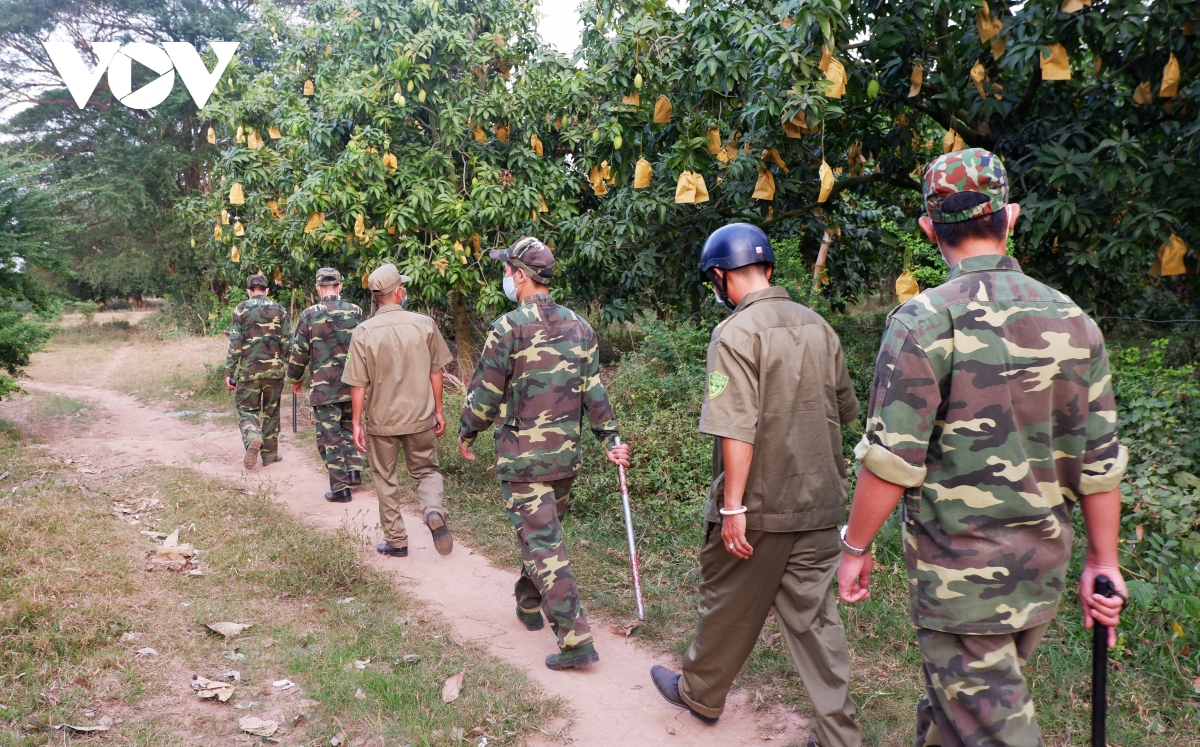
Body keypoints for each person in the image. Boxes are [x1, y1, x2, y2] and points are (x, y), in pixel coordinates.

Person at [837, 148, 1128, 747]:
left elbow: (891, 462)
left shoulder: (924, 321)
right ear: (1010, 216)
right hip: (1037, 574)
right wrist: (1103, 561)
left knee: (993, 729)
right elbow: (1098, 465)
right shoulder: (1074, 320)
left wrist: (854, 546)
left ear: (928, 227)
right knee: (961, 715)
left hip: (960, 585)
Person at [648, 223, 864, 747]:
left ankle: (700, 694)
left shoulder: (735, 333)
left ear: (721, 276)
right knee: (816, 623)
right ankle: (839, 735)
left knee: (726, 601)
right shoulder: (820, 326)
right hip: (821, 504)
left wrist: (732, 506)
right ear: (768, 267)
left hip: (760, 506)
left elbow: (734, 425)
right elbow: (845, 411)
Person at [458, 237, 631, 672]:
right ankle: (528, 601)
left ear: (520, 275)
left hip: (523, 461)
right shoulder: (581, 326)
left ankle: (576, 642)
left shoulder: (508, 327)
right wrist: (610, 438)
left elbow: (485, 395)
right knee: (541, 537)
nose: (505, 278)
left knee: (543, 545)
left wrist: (468, 431)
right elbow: (595, 390)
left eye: (506, 271)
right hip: (564, 461)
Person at [343, 264, 454, 557]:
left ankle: (396, 541)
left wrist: (356, 422)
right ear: (398, 292)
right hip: (420, 417)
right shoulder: (424, 324)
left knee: (384, 477)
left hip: (382, 422)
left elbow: (358, 384)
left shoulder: (363, 331)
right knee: (427, 470)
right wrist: (438, 410)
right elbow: (436, 372)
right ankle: (433, 510)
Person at [286, 268, 364, 502]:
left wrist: (295, 378)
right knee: (350, 428)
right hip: (354, 384)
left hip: (325, 387)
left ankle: (340, 489)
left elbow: (299, 351)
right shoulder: (356, 312)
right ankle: (353, 471)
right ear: (340, 287)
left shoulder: (310, 314)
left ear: (319, 288)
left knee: (329, 437)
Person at [225, 273, 290, 470]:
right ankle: (270, 455)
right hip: (274, 372)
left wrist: (229, 371)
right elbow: (287, 342)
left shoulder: (241, 309)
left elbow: (235, 342)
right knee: (271, 412)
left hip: (249, 372)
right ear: (267, 290)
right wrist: (295, 369)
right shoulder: (279, 309)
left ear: (249, 291)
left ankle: (253, 437)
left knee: (247, 410)